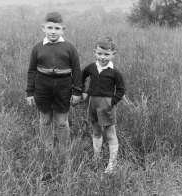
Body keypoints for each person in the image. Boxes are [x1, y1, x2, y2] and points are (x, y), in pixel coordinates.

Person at [26, 12, 82, 154]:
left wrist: (76, 91)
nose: (53, 31)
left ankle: (64, 151)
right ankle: (47, 150)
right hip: (42, 86)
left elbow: (76, 70)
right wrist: (30, 92)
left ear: (63, 29)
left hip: (64, 86)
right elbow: (32, 70)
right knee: (45, 119)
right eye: (50, 28)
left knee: (62, 121)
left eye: (57, 28)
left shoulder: (70, 47)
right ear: (43, 28)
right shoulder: (37, 47)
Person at [82, 36, 125, 173]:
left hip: (106, 104)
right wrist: (83, 92)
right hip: (92, 103)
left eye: (106, 54)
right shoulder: (90, 67)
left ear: (113, 54)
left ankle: (112, 163)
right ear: (94, 52)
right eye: (99, 53)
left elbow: (121, 89)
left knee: (111, 133)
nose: (102, 57)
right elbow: (80, 79)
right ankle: (97, 158)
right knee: (96, 130)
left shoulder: (115, 72)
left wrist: (112, 102)